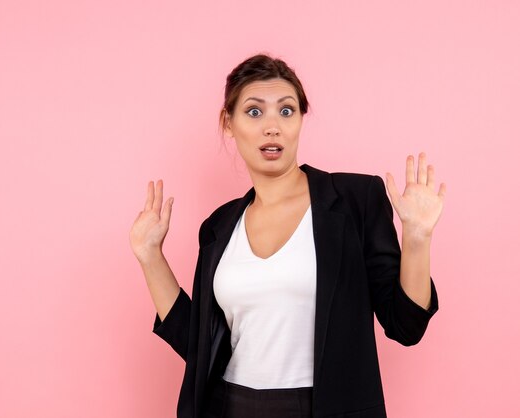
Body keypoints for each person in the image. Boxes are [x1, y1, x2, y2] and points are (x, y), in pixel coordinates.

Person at [129, 54, 446, 418]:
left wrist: (418, 238)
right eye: (253, 112)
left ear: (299, 120)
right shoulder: (219, 226)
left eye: (286, 111)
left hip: (326, 408)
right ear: (228, 123)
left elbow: (406, 325)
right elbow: (200, 346)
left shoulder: (355, 200)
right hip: (231, 407)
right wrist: (150, 256)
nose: (272, 127)